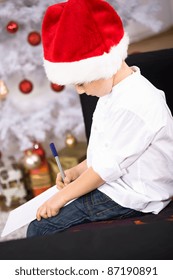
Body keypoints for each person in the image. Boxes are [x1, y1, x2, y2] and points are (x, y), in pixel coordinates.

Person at [27, 0, 173, 237]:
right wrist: (77, 171)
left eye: (81, 82)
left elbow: (106, 169)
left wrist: (62, 196)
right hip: (115, 181)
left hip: (134, 195)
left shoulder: (134, 104)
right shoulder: (113, 92)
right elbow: (109, 151)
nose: (80, 91)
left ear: (104, 65)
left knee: (40, 230)